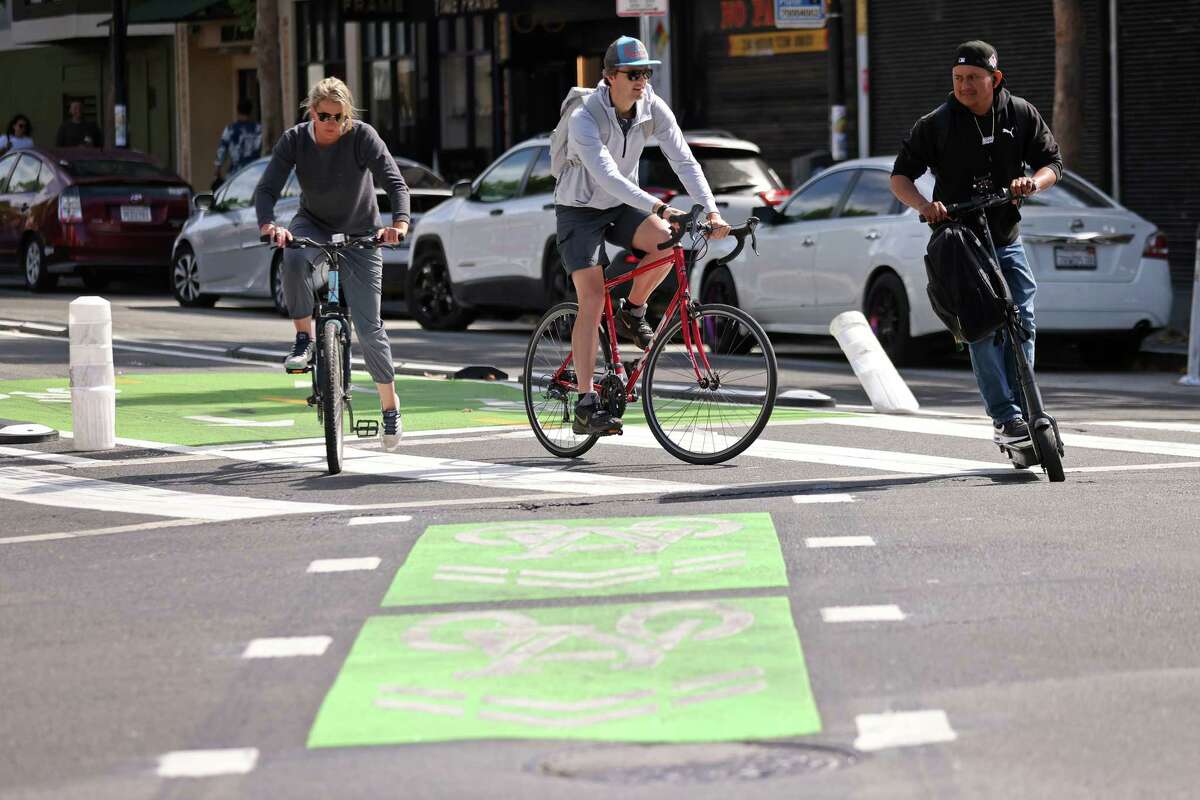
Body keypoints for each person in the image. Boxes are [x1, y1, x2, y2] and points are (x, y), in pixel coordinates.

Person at [890, 40, 1062, 447]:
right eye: (957, 78)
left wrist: (1032, 183)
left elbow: (1052, 164)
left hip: (1005, 234)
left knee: (1023, 318)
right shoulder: (935, 124)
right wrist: (925, 205)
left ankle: (1028, 408)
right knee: (981, 328)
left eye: (972, 78)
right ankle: (1005, 419)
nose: (963, 86)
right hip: (960, 243)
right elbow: (900, 177)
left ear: (995, 79)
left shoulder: (1020, 113)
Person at [555, 35, 730, 436]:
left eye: (646, 73)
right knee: (593, 297)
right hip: (579, 210)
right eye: (633, 74)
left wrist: (713, 210)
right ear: (609, 77)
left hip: (619, 205)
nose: (642, 81)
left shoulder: (651, 107)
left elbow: (683, 159)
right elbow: (608, 177)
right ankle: (585, 403)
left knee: (669, 240)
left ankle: (633, 310)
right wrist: (659, 205)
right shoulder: (586, 117)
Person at [254, 78, 410, 450]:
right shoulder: (294, 140)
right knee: (291, 256)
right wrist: (269, 225)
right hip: (314, 225)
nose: (331, 123)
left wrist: (399, 225)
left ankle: (391, 408)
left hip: (362, 233)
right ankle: (304, 337)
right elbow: (267, 188)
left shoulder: (362, 137)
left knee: (370, 328)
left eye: (339, 117)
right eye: (324, 115)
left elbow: (395, 183)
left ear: (348, 116)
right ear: (312, 113)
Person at [214, 99, 263, 186]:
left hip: (235, 173)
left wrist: (218, 167)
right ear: (251, 111)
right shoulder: (258, 129)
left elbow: (222, 149)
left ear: (237, 111)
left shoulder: (230, 129)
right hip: (255, 172)